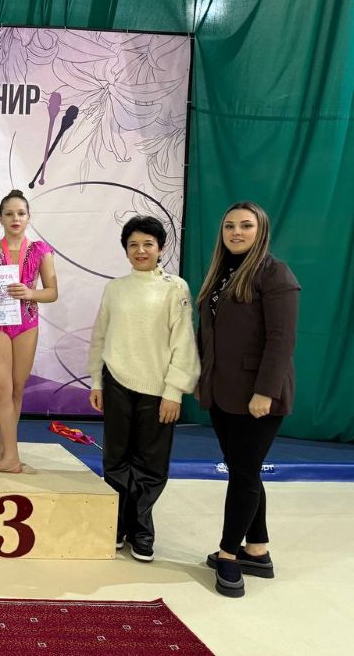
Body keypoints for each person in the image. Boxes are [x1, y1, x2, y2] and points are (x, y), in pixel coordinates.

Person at [196, 201, 300, 597]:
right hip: (223, 391)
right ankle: (257, 550)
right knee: (246, 471)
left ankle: (229, 556)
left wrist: (265, 391)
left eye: (245, 225)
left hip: (257, 395)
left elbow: (281, 339)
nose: (236, 232)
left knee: (242, 475)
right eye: (229, 226)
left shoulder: (275, 274)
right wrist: (202, 377)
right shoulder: (221, 274)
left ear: (261, 231)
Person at [87, 215, 200, 562]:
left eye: (148, 244)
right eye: (133, 245)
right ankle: (118, 525)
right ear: (125, 250)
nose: (140, 251)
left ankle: (142, 529)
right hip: (116, 382)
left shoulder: (175, 288)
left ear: (160, 248)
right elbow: (100, 336)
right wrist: (96, 380)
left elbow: (183, 341)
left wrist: (174, 391)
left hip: (158, 389)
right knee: (116, 459)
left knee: (151, 463)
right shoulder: (115, 288)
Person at [0, 189, 57, 473]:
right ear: (0, 218)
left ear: (29, 217)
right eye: (9, 214)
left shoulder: (41, 251)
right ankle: (11, 458)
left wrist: (30, 292)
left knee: (16, 389)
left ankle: (6, 453)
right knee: (1, 388)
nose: (15, 218)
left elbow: (52, 292)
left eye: (20, 213)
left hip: (26, 323)